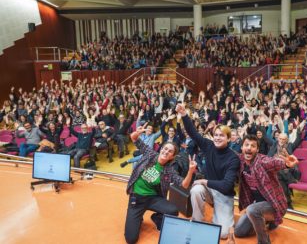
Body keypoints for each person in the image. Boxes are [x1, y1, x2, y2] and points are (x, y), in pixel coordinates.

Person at [176, 103, 240, 239]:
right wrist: (184, 115)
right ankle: (198, 222)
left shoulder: (233, 158)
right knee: (196, 190)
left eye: (221, 135)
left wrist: (204, 181)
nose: (217, 137)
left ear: (229, 139)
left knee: (222, 234)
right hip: (210, 190)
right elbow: (193, 133)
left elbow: (227, 185)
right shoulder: (209, 145)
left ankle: (221, 212)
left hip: (224, 194)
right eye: (216, 135)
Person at [124, 125, 197, 244]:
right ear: (161, 148)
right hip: (136, 198)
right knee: (131, 239)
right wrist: (137, 133)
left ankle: (156, 218)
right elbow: (134, 138)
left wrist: (190, 171)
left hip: (153, 198)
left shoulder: (169, 170)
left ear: (172, 156)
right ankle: (138, 215)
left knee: (173, 210)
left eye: (170, 151)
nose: (166, 151)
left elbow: (184, 184)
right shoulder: (150, 154)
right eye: (165, 149)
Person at [235, 135, 298, 244]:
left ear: (257, 150)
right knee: (239, 232)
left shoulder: (262, 161)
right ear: (242, 148)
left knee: (252, 210)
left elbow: (273, 162)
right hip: (257, 205)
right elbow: (227, 153)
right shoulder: (240, 160)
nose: (249, 148)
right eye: (246, 145)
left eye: (253, 146)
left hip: (274, 205)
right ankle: (265, 221)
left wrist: (286, 164)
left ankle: (264, 241)